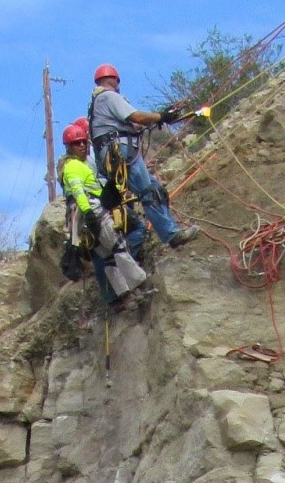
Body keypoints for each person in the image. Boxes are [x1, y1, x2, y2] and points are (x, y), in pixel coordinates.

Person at [89, 63, 200, 250]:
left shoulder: (97, 105)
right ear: (115, 80)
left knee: (155, 188)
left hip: (113, 155)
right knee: (148, 191)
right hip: (121, 152)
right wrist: (160, 116)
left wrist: (162, 116)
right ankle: (171, 234)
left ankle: (171, 229)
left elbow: (134, 125)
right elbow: (137, 117)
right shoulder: (109, 97)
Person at [59, 122, 151, 310]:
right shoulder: (73, 167)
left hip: (85, 216)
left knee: (108, 256)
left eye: (84, 142)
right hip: (92, 211)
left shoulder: (76, 165)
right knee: (118, 246)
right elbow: (79, 192)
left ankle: (125, 296)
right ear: (69, 147)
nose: (83, 146)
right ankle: (140, 283)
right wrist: (89, 213)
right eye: (77, 143)